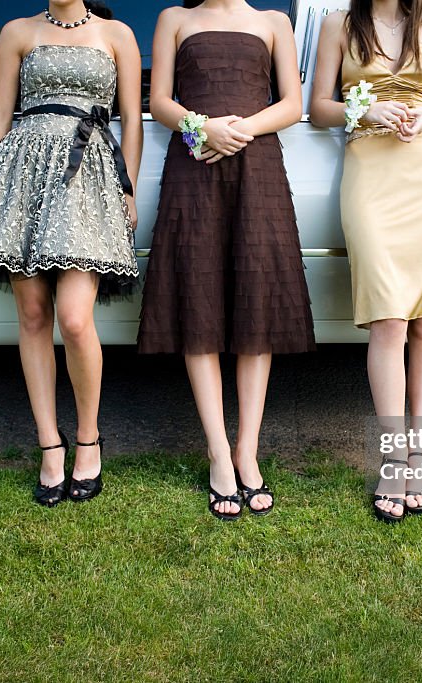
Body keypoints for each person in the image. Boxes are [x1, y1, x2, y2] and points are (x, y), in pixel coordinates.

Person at [137, 0, 315, 521]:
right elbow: (159, 102)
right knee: (200, 299)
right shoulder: (174, 18)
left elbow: (292, 104)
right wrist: (202, 128)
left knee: (256, 301)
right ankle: (218, 453)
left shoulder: (273, 21)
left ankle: (247, 451)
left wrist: (239, 130)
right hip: (194, 164)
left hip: (257, 166)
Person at [0, 0, 143, 507]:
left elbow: (132, 120)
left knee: (76, 319)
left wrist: (127, 188)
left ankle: (89, 439)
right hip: (23, 173)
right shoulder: (17, 31)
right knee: (34, 314)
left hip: (89, 177)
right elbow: (0, 111)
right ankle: (49, 445)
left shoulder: (117, 34)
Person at [309, 0, 422, 523]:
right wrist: (366, 109)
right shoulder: (339, 23)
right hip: (369, 169)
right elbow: (318, 107)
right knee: (388, 319)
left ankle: (419, 456)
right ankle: (392, 456)